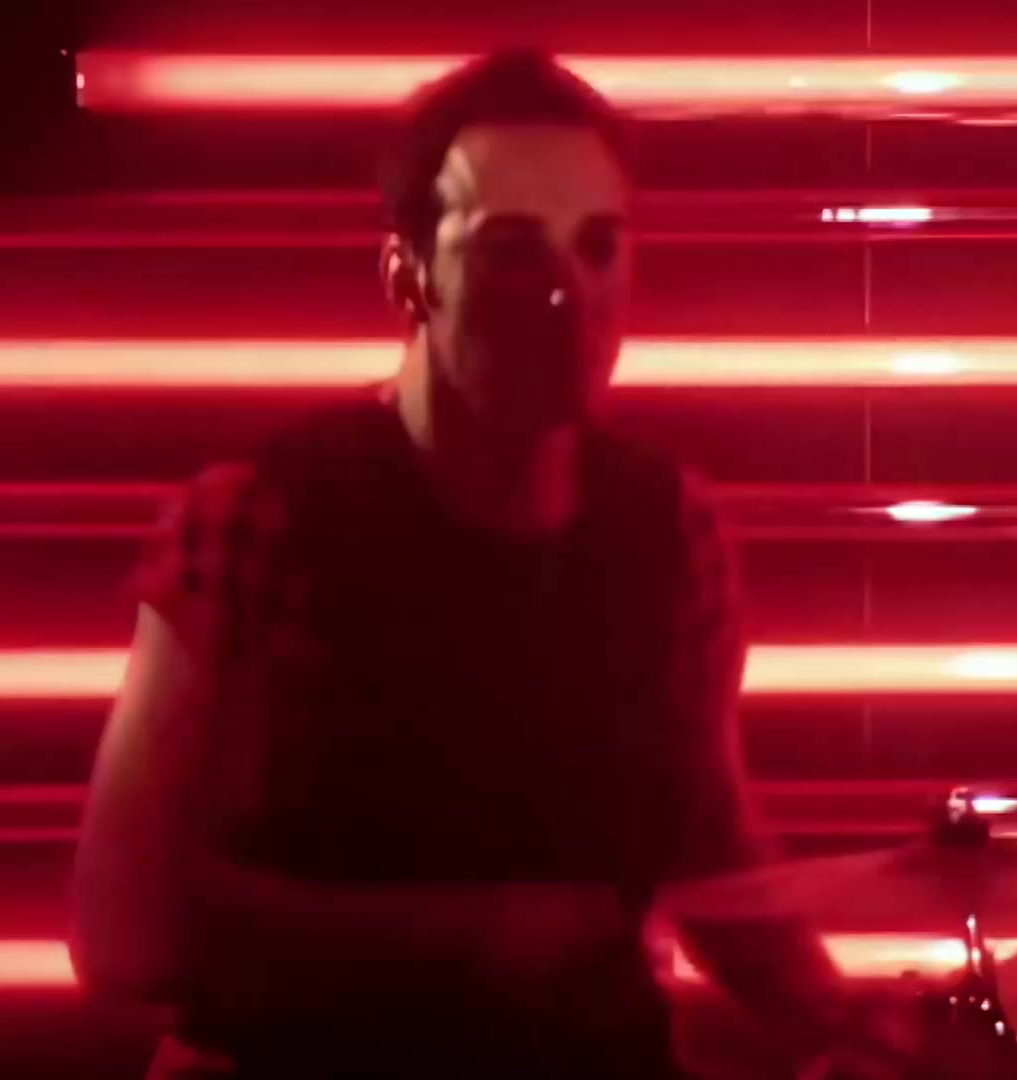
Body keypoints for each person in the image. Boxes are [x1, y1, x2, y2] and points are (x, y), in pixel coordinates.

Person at [72, 49, 902, 1079]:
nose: (569, 294)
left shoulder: (669, 531)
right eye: (512, 250)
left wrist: (840, 1022)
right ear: (405, 276)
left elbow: (706, 835)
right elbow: (125, 930)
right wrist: (472, 940)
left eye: (600, 247)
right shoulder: (261, 521)